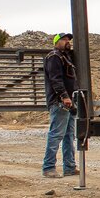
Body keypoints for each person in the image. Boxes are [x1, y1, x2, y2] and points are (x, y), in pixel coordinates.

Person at [43, 32, 79, 178]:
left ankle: (69, 167)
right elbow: (55, 79)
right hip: (60, 102)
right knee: (56, 134)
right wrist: (64, 96)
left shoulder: (66, 58)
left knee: (69, 135)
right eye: (63, 39)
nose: (67, 41)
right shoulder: (54, 57)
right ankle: (48, 167)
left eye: (68, 40)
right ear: (56, 42)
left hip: (69, 102)